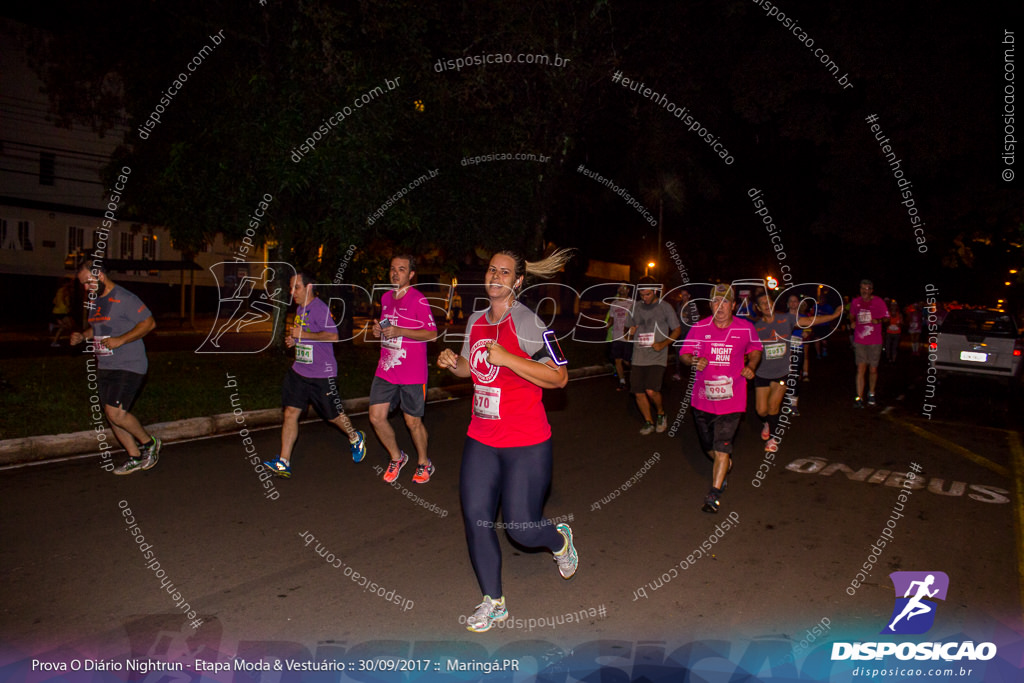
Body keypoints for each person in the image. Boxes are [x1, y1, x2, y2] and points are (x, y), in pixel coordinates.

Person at [437, 248, 578, 633]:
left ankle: (559, 540)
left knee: (520, 528)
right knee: (476, 519)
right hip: (481, 437)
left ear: (517, 281)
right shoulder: (476, 321)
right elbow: (473, 367)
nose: (495, 276)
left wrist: (509, 358)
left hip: (526, 440)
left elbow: (560, 377)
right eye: (491, 270)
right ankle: (493, 601)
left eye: (505, 272)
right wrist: (455, 364)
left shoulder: (528, 322)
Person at [263, 272, 366, 477]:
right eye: (291, 288)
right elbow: (306, 337)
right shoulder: (301, 309)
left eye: (296, 287)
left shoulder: (320, 308)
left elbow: (333, 336)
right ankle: (284, 462)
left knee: (333, 416)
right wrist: (295, 342)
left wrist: (303, 335)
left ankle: (355, 437)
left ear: (309, 287)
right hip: (299, 371)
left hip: (322, 375)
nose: (292, 292)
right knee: (291, 413)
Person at [70, 260, 161, 474]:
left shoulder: (124, 298)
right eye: (83, 284)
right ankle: (134, 456)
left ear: (100, 275)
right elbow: (98, 328)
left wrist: (121, 340)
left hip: (129, 364)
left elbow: (149, 323)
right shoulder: (96, 301)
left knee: (116, 413)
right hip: (106, 365)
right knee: (111, 416)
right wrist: (82, 335)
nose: (86, 288)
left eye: (87, 283)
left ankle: (149, 444)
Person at [680, 283, 762, 514]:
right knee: (709, 447)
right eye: (716, 301)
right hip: (702, 400)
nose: (720, 306)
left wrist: (751, 365)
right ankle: (724, 465)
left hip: (732, 399)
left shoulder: (745, 328)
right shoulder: (699, 327)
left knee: (722, 447)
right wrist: (694, 361)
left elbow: (755, 349)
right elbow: (685, 354)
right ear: (710, 304)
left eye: (725, 301)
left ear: (733, 305)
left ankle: (713, 495)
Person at [370, 255, 438, 484]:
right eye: (392, 269)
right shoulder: (386, 297)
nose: (395, 273)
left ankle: (423, 462)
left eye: (401, 269)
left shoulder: (419, 300)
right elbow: (388, 327)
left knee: (412, 423)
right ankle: (397, 457)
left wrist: (401, 331)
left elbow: (431, 333)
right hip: (387, 368)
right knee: (376, 417)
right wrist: (379, 331)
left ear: (410, 274)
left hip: (412, 372)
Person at [753, 292, 842, 451]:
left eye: (769, 302)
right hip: (762, 373)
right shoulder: (756, 327)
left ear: (774, 303)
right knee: (762, 409)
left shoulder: (786, 319)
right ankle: (767, 422)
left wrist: (834, 315)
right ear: (758, 308)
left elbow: (810, 320)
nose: (767, 305)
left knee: (774, 406)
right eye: (763, 303)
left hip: (782, 372)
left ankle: (773, 439)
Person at [626, 277, 681, 434]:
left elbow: (676, 330)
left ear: (655, 291)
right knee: (638, 391)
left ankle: (661, 413)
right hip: (638, 355)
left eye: (648, 294)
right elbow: (627, 330)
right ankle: (648, 421)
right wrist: (630, 331)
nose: (645, 298)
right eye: (642, 295)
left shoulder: (665, 307)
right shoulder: (635, 307)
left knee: (651, 390)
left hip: (657, 355)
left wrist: (663, 344)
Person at [850, 279, 889, 407]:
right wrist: (852, 321)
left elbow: (887, 317)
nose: (864, 291)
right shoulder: (856, 302)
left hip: (874, 341)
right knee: (861, 368)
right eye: (862, 288)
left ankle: (871, 393)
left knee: (873, 369)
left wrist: (879, 321)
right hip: (860, 340)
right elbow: (852, 315)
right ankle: (859, 397)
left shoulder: (878, 302)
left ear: (871, 290)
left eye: (867, 289)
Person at [604, 283, 632, 391]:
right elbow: (611, 318)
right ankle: (622, 382)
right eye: (620, 287)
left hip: (628, 337)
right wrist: (607, 325)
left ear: (628, 290)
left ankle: (638, 375)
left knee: (627, 361)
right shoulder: (614, 303)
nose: (621, 289)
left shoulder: (632, 303)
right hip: (616, 336)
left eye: (624, 287)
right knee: (617, 361)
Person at [50, 277, 74, 347]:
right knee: (69, 326)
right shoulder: (65, 290)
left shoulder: (59, 290)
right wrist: (67, 305)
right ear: (67, 283)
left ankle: (54, 342)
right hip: (63, 311)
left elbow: (54, 301)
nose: (71, 284)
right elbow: (64, 299)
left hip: (56, 311)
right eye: (70, 282)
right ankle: (54, 326)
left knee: (63, 327)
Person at [884, 299, 902, 363]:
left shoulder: (899, 314)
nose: (893, 307)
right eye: (892, 305)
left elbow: (902, 323)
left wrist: (899, 324)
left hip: (897, 333)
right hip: (889, 332)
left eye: (895, 305)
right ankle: (888, 358)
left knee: (895, 347)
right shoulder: (888, 313)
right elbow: (884, 321)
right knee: (887, 346)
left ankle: (894, 360)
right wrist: (887, 323)